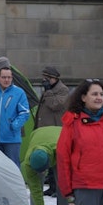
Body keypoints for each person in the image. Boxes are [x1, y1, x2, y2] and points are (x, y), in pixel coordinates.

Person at [21, 126, 72, 205]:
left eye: (44, 170)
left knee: (62, 186)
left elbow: (68, 184)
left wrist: (72, 202)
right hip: (38, 134)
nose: (43, 173)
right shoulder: (28, 163)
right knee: (36, 187)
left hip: (59, 139)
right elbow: (35, 190)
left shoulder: (62, 152)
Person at [0, 66, 31, 166]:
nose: (6, 80)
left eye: (9, 77)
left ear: (12, 78)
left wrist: (14, 125)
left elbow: (25, 113)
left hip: (11, 139)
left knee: (12, 167)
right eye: (4, 77)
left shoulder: (19, 93)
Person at [35, 65, 69, 195]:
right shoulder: (48, 90)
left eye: (47, 78)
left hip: (55, 129)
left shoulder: (62, 90)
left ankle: (58, 188)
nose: (44, 81)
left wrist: (48, 92)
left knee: (57, 161)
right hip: (44, 128)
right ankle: (51, 186)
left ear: (53, 78)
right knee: (49, 158)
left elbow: (56, 104)